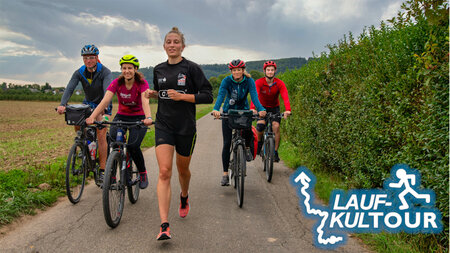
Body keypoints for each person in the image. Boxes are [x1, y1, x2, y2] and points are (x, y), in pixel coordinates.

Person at [147, 27, 213, 240]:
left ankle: (184, 196)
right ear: (164, 46)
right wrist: (154, 94)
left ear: (182, 46)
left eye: (176, 42)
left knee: (182, 170)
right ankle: (164, 225)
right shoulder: (158, 69)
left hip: (186, 127)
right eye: (169, 42)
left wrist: (183, 97)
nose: (172, 45)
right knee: (165, 171)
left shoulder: (192, 68)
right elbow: (163, 94)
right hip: (164, 125)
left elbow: (207, 96)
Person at [86, 54, 153, 189]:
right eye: (124, 68)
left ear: (135, 69)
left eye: (130, 68)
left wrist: (148, 117)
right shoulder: (117, 82)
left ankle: (142, 172)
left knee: (133, 147)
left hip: (139, 118)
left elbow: (145, 101)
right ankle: (112, 174)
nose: (126, 71)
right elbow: (105, 101)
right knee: (113, 142)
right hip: (121, 117)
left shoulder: (142, 83)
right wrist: (92, 116)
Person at [57, 44, 112, 180]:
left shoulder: (105, 72)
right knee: (77, 121)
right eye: (86, 58)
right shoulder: (79, 72)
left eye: (92, 57)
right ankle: (85, 145)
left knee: (101, 132)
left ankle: (103, 168)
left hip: (103, 104)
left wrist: (104, 109)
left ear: (97, 58)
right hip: (87, 104)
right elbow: (70, 88)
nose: (88, 60)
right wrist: (62, 104)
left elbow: (107, 92)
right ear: (83, 59)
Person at [212, 59, 266, 187]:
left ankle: (247, 148)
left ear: (243, 70)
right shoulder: (226, 81)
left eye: (239, 70)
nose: (236, 72)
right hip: (228, 112)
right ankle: (225, 174)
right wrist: (216, 109)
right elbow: (221, 95)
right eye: (234, 70)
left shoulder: (249, 81)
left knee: (247, 129)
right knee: (226, 143)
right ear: (231, 71)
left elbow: (254, 96)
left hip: (243, 111)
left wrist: (261, 109)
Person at [250, 60, 291, 162]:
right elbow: (255, 96)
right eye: (268, 70)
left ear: (275, 71)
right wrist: (253, 108)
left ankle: (275, 152)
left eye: (272, 70)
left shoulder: (279, 83)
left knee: (276, 127)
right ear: (264, 71)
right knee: (260, 126)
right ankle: (259, 143)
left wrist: (287, 110)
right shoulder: (259, 82)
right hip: (262, 107)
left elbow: (285, 97)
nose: (270, 72)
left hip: (274, 108)